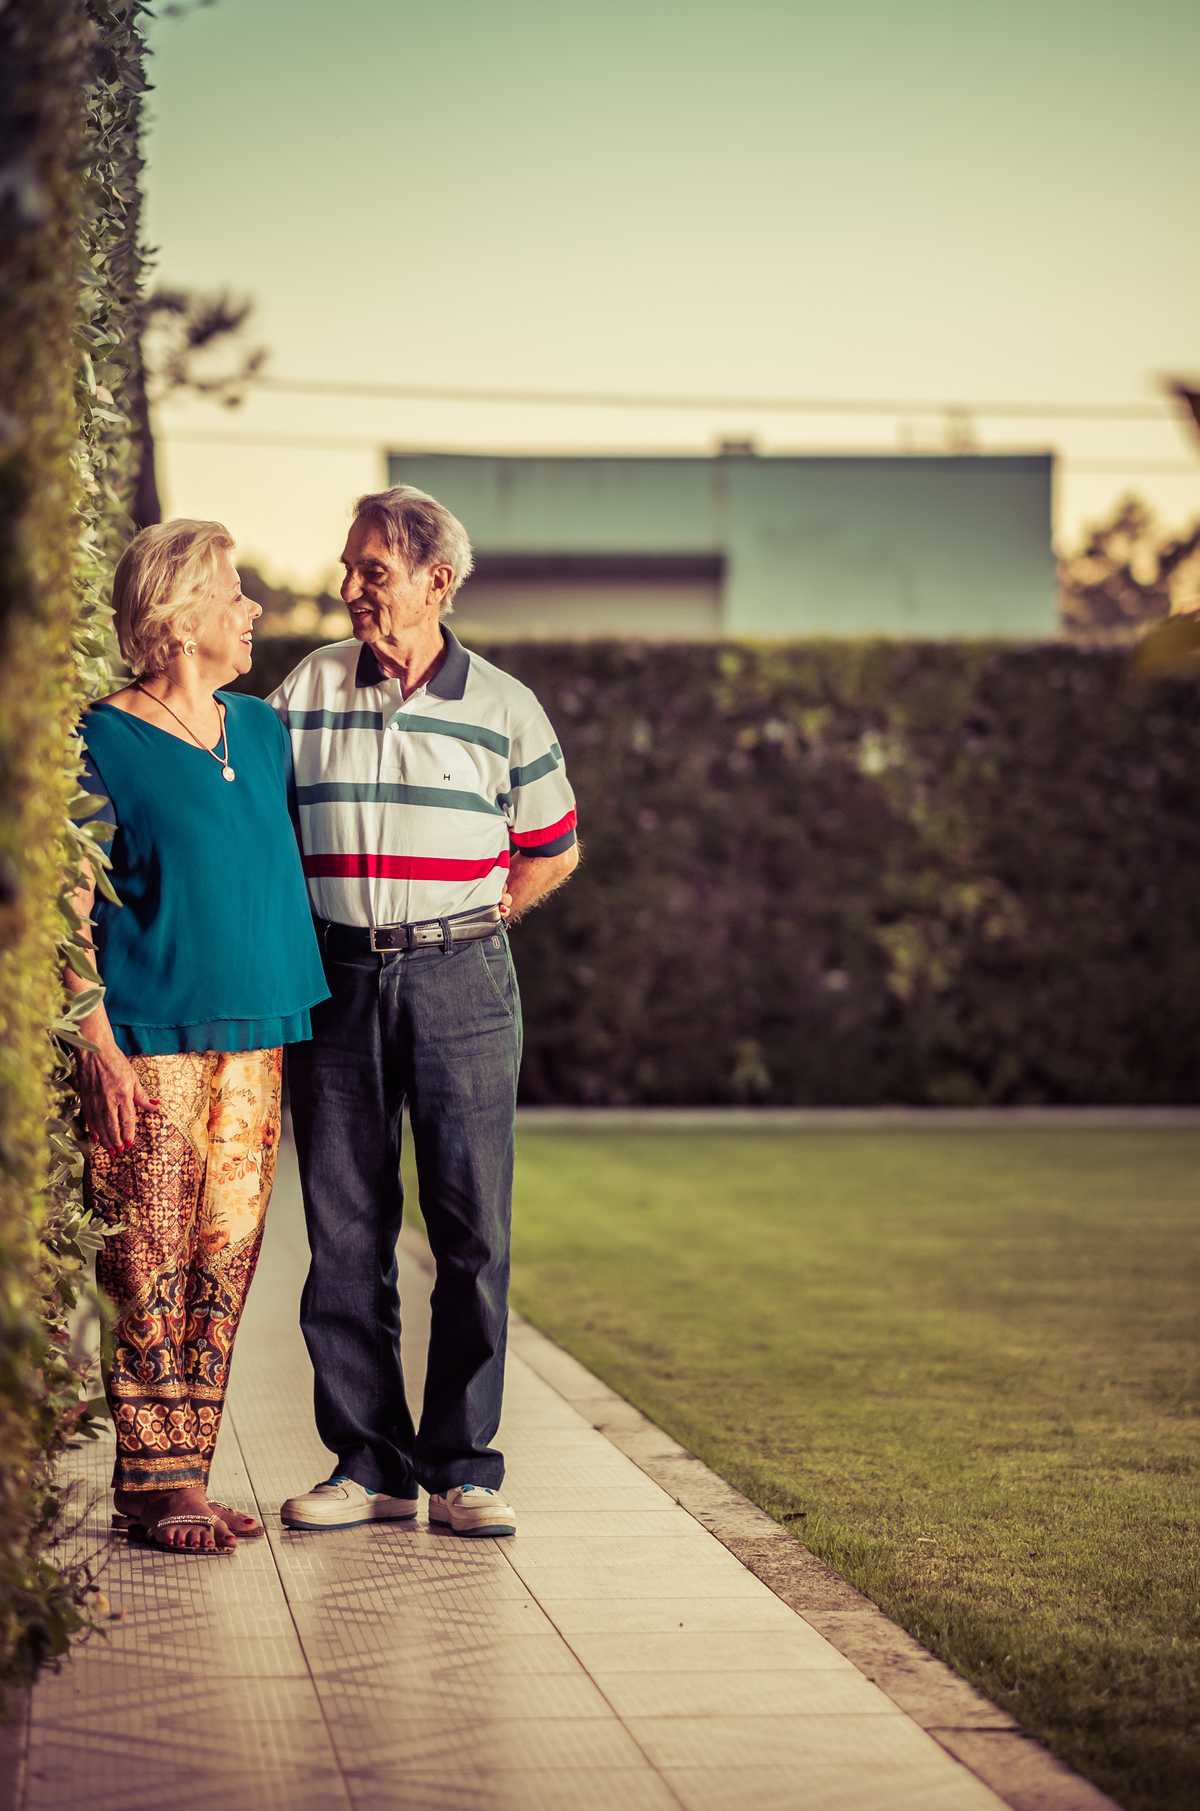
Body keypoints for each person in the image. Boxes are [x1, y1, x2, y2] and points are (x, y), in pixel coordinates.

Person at [272, 486, 578, 1538]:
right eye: (351, 566)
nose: (350, 586)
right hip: (336, 980)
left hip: (463, 979)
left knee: (469, 1230)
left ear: (435, 580)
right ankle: (367, 1462)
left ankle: (463, 1466)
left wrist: (495, 909)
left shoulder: (505, 706)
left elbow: (554, 844)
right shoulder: (305, 690)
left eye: (373, 570)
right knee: (345, 1229)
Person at [69, 519, 329, 1554]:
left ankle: (180, 1478)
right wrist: (95, 1041)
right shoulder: (99, 739)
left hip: (260, 1031)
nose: (252, 608)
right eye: (234, 591)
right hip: (150, 1038)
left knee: (223, 1261)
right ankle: (159, 1485)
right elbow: (61, 903)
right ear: (180, 619)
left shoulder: (259, 730)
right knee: (148, 1259)